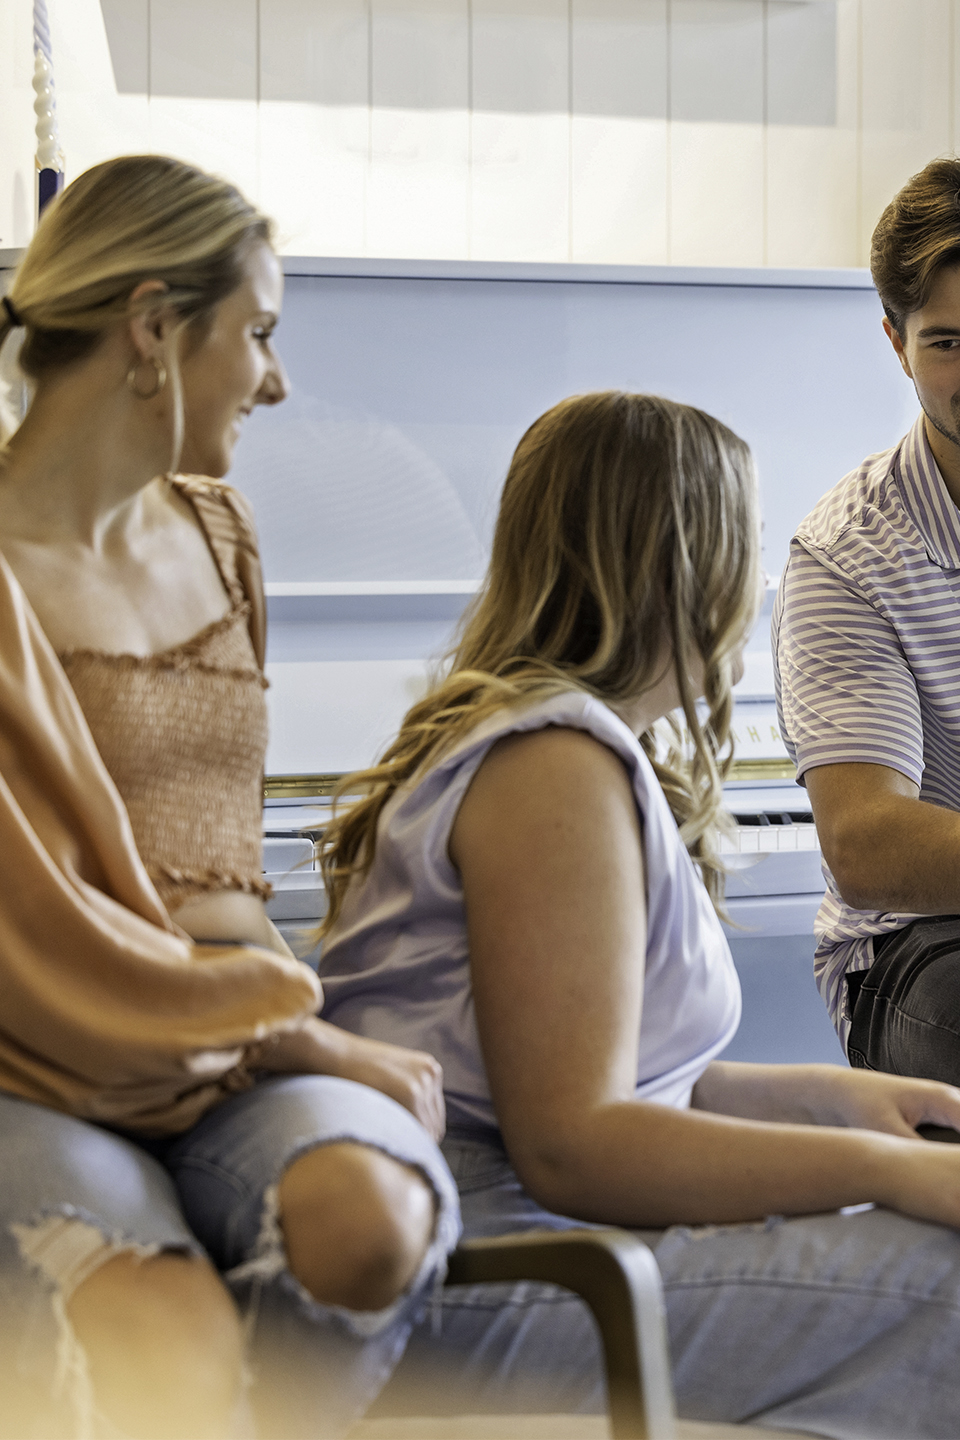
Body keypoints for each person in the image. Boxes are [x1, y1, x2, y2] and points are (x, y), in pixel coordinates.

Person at [317, 391, 960, 1437]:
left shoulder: (550, 740)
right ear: (682, 560)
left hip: (538, 1235)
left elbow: (616, 1074)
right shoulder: (551, 769)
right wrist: (891, 1170)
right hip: (520, 1273)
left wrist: (842, 1104)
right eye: (742, 546)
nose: (755, 586)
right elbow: (574, 1146)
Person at [0, 154, 459, 1440]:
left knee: (367, 1224)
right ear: (153, 327)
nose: (277, 378)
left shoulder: (223, 534)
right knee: (170, 1337)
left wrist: (281, 1020)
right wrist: (311, 1036)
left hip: (237, 1043)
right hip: (40, 1059)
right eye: (257, 333)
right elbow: (41, 937)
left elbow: (222, 864)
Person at [773, 155, 960, 1081]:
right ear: (895, 340)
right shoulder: (847, 554)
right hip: (916, 945)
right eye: (949, 344)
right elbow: (869, 847)